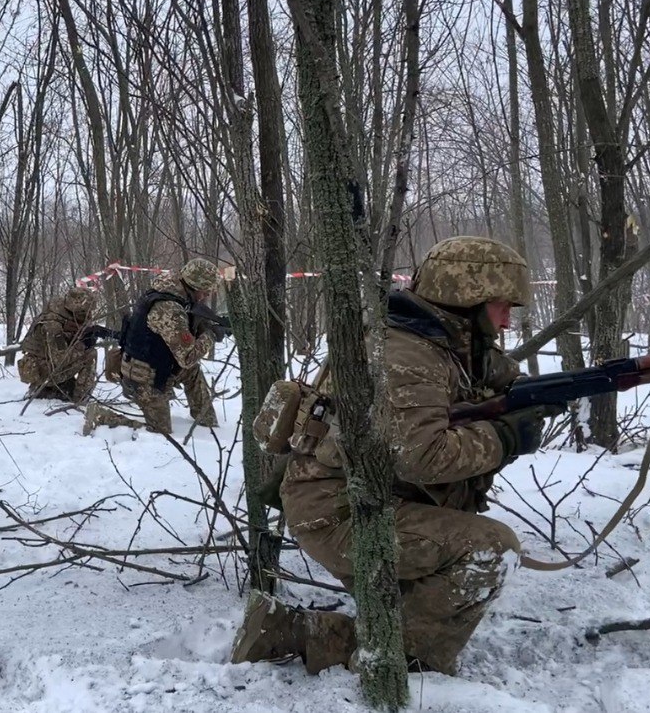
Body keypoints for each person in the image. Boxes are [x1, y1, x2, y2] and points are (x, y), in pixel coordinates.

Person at [231, 235, 563, 676]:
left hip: (370, 500)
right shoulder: (406, 354)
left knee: (421, 604)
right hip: (340, 513)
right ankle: (402, 666)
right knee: (490, 549)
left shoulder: (450, 344)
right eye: (503, 305)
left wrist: (544, 397)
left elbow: (501, 383)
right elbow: (424, 457)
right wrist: (504, 438)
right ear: (468, 298)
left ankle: (291, 631)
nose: (506, 321)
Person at [83, 258, 224, 435]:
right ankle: (102, 417)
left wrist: (203, 327)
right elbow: (187, 357)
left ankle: (207, 422)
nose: (207, 295)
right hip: (144, 378)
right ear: (195, 285)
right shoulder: (169, 307)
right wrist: (211, 335)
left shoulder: (172, 292)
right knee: (159, 433)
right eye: (206, 290)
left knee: (192, 372)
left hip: (158, 366)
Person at [16, 287, 106, 404]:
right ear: (74, 310)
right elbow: (60, 361)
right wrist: (83, 344)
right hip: (44, 372)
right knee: (90, 354)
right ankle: (81, 399)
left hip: (42, 367)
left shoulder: (58, 314)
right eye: (84, 312)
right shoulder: (53, 325)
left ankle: (64, 387)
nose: (88, 315)